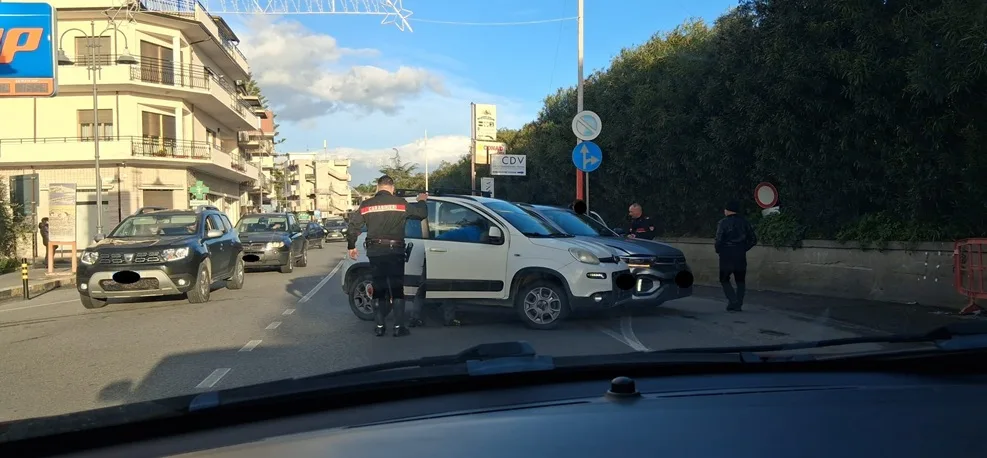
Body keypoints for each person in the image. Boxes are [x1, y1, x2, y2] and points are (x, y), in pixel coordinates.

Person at [347, 176, 428, 337]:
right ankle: (398, 328)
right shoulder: (401, 203)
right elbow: (421, 214)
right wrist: (421, 200)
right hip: (395, 251)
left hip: (375, 252)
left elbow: (352, 227)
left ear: (378, 187)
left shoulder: (366, 205)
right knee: (397, 289)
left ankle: (379, 327)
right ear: (392, 187)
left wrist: (351, 246)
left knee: (378, 288)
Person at [714, 200, 758, 312]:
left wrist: (719, 250)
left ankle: (732, 300)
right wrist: (743, 248)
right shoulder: (744, 222)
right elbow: (753, 239)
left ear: (727, 210)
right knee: (740, 281)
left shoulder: (722, 223)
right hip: (740, 254)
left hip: (726, 254)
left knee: (724, 279)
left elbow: (719, 240)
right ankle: (737, 304)